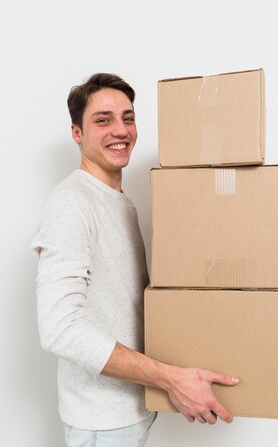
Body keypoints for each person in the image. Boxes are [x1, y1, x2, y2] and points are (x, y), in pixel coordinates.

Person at [31, 73, 239, 446]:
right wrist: (170, 378)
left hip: (131, 412)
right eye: (103, 119)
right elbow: (59, 328)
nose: (120, 129)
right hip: (101, 420)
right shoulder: (72, 203)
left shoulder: (120, 203)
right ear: (76, 133)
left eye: (128, 118)